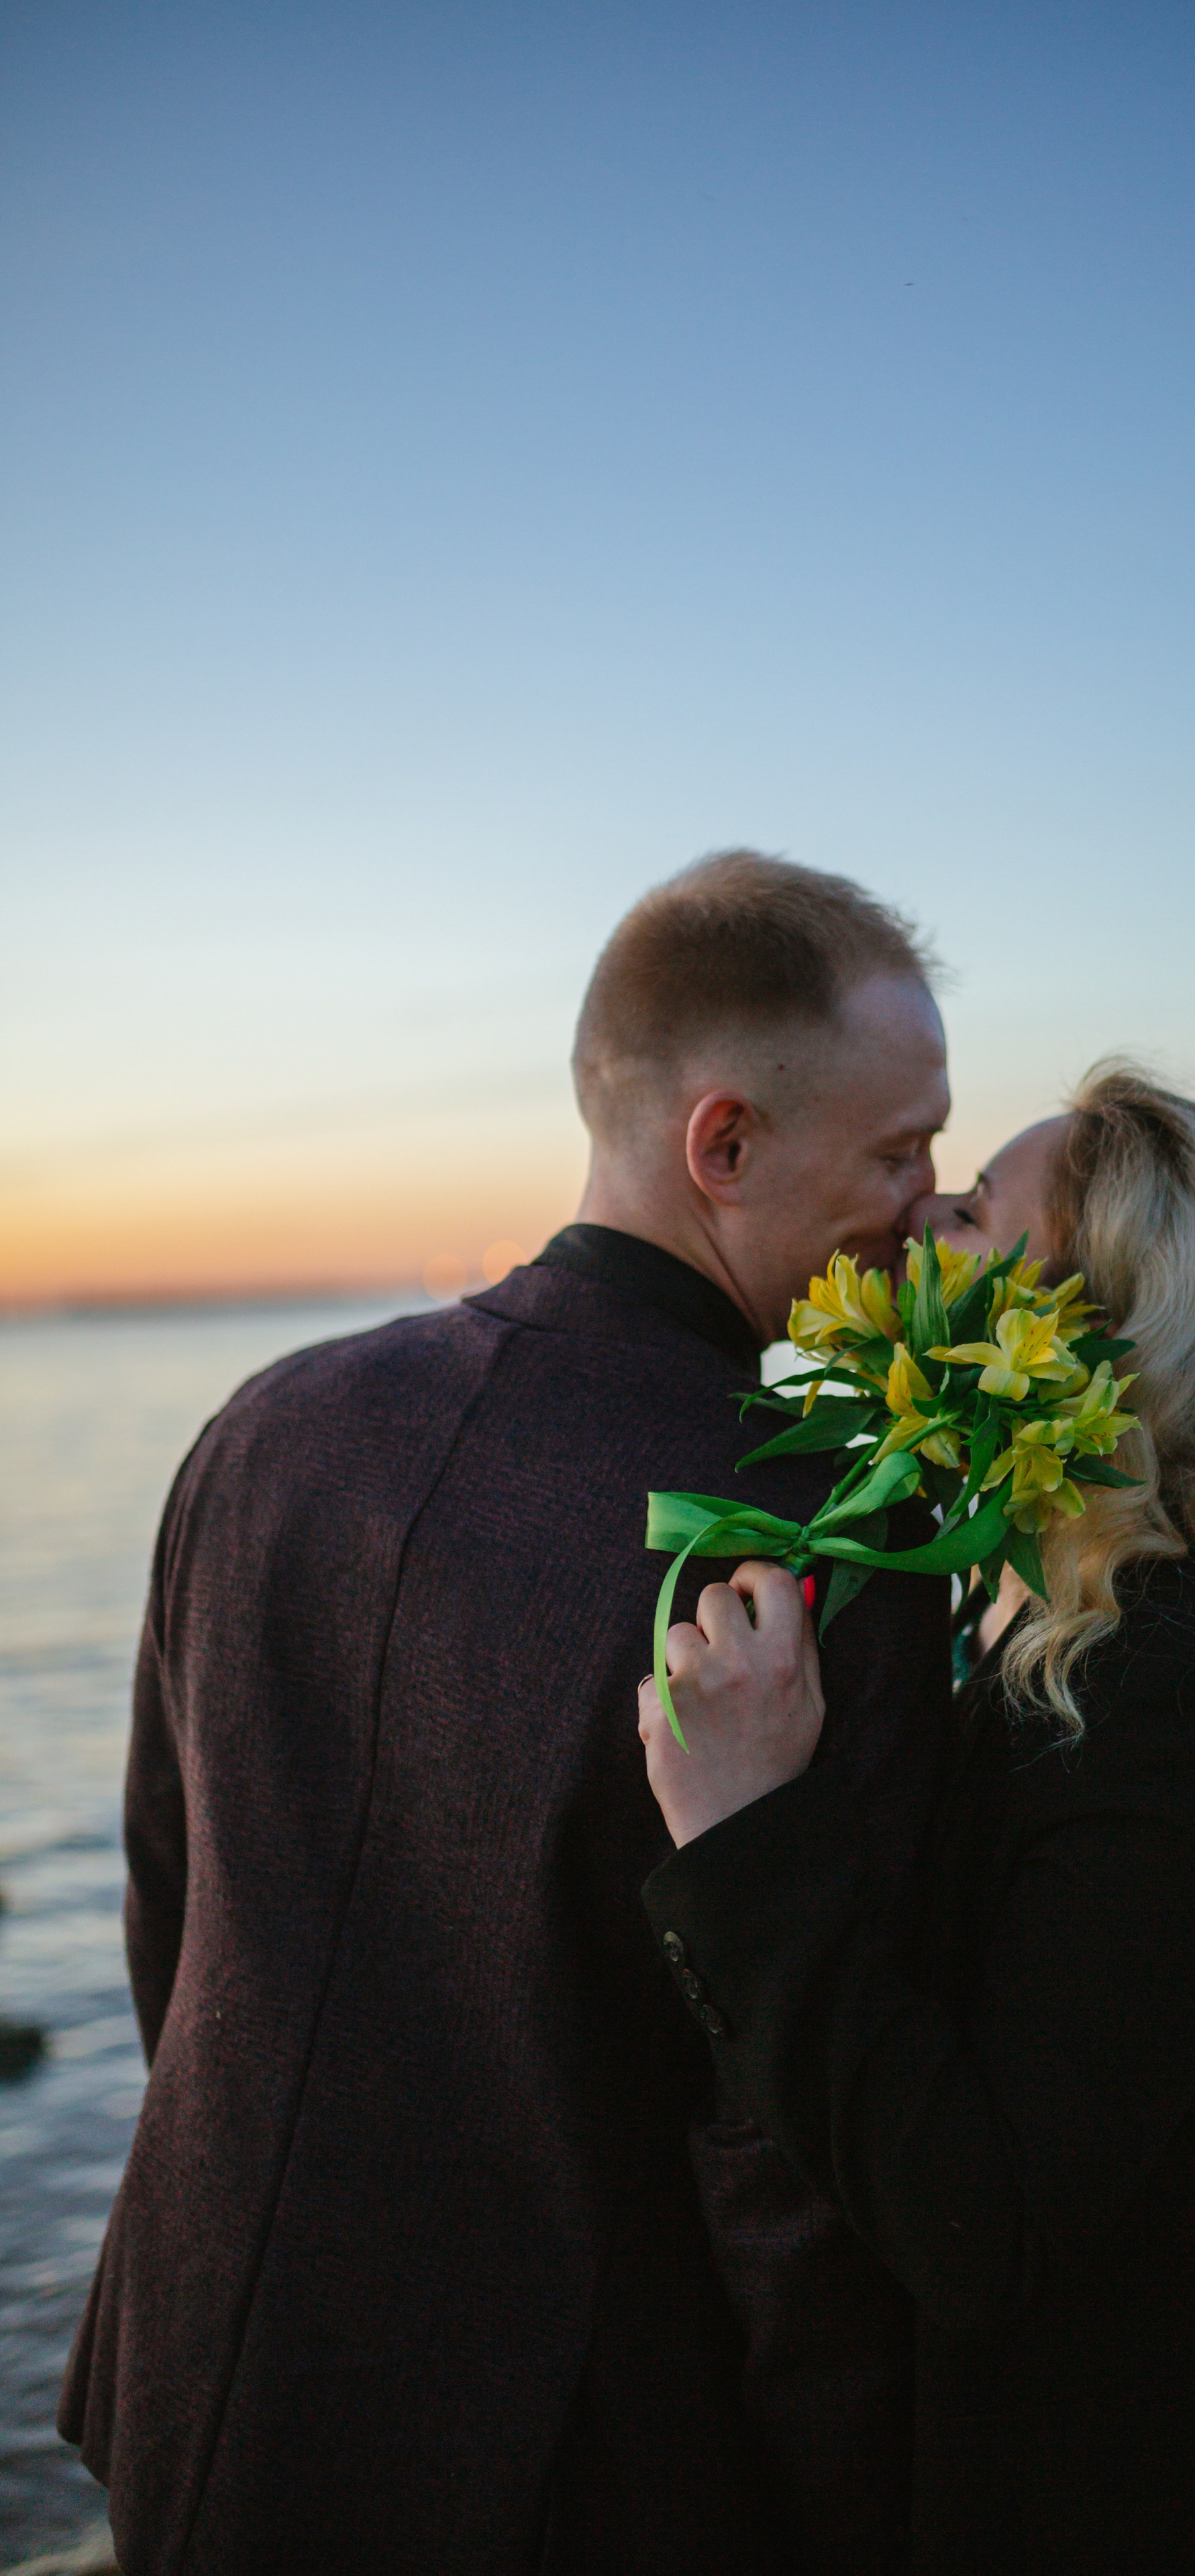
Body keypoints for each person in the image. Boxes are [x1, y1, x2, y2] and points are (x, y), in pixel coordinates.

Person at [60, 853, 955, 2576]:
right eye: (899, 1149)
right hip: (569, 2471)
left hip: (201, 2386)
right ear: (724, 1145)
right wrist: (856, 2504)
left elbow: (172, 1914)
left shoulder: (270, 1425)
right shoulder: (814, 1539)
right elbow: (785, 2129)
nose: (924, 1202)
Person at [637, 1062, 1195, 2575]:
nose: (923, 1210)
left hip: (1190, 2494)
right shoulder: (1040, 1617)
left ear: (1091, 1334)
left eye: (974, 1207)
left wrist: (744, 1841)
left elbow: (983, 2220)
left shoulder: (1180, 1691)